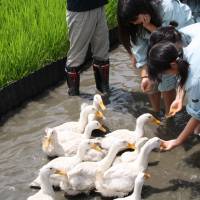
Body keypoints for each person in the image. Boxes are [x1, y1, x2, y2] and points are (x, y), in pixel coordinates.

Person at [117, 0, 194, 117]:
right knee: (151, 83)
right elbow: (140, 49)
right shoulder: (135, 24)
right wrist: (145, 75)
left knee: (166, 80)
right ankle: (156, 112)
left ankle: (169, 115)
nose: (133, 24)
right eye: (129, 22)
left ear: (142, 9)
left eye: (133, 20)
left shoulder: (168, 9)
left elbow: (176, 42)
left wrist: (150, 26)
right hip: (156, 43)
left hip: (178, 41)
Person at [147, 25, 200, 150]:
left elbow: (198, 114)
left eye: (165, 73)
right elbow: (183, 70)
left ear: (172, 65)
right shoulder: (180, 45)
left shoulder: (195, 79)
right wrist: (179, 98)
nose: (167, 75)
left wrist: (176, 141)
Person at [66, 0, 110, 96]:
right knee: (76, 58)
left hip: (99, 6)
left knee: (102, 53)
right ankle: (74, 97)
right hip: (80, 10)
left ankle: (104, 91)